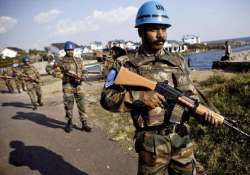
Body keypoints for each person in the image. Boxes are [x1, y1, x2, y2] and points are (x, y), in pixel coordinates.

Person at [100, 1, 223, 175]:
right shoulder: (125, 65)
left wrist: (209, 113)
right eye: (153, 29)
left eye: (164, 29)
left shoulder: (178, 61)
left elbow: (192, 95)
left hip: (182, 140)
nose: (161, 35)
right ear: (140, 31)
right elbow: (106, 99)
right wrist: (140, 98)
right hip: (151, 145)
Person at [58, 41, 91, 133]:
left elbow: (84, 70)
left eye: (71, 49)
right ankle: (69, 122)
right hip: (67, 86)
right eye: (68, 49)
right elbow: (50, 69)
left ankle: (84, 123)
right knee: (68, 105)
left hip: (79, 86)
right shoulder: (60, 61)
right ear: (65, 50)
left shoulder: (79, 60)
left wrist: (83, 77)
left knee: (82, 105)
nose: (70, 51)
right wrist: (62, 76)